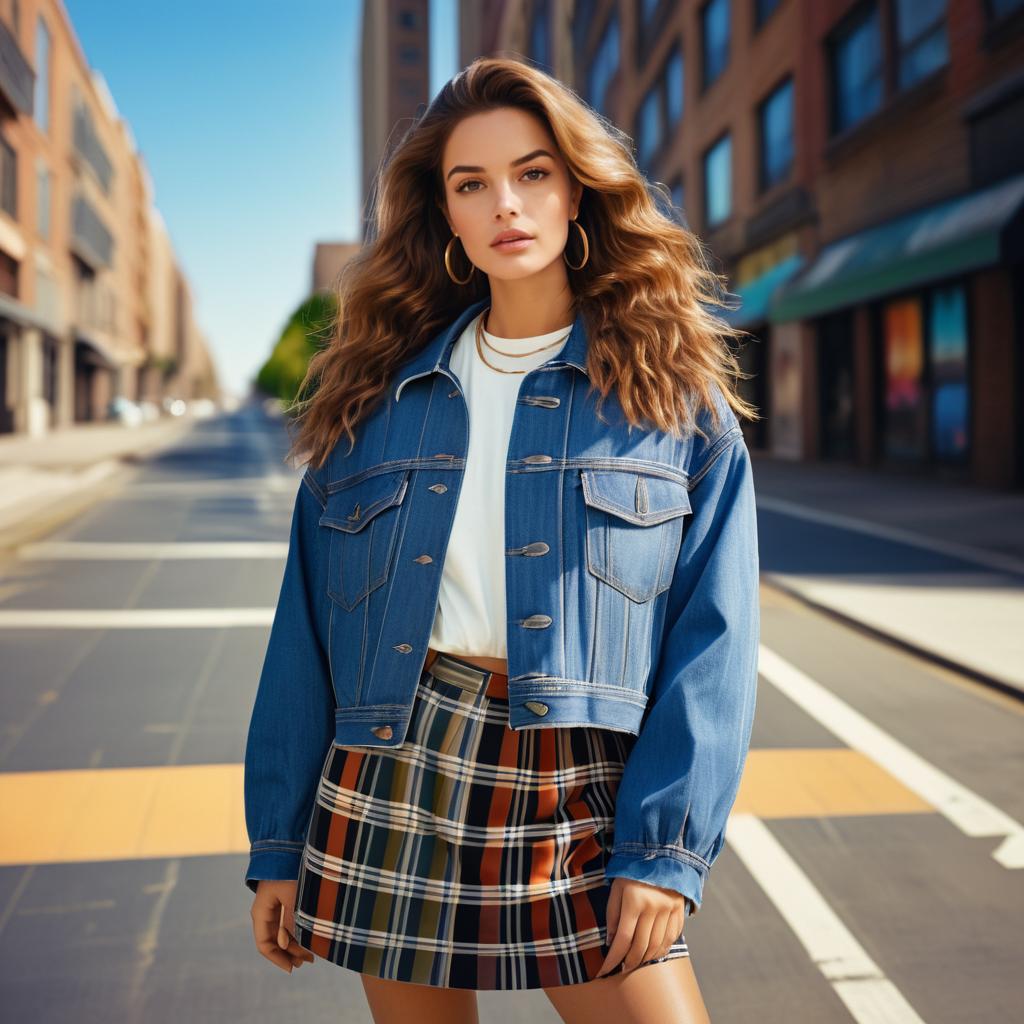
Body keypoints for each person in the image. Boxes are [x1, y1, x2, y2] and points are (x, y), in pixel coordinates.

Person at [244, 56, 760, 1024]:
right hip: (395, 758)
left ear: (577, 192)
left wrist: (664, 850)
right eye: (469, 184)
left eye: (531, 173)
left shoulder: (669, 403)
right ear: (442, 214)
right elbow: (301, 642)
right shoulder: (370, 406)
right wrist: (278, 843)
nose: (504, 205)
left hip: (576, 774)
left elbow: (714, 638)